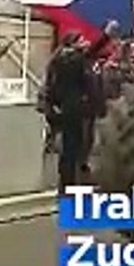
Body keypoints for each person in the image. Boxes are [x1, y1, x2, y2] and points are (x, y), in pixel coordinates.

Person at [43, 22, 116, 192]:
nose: (85, 43)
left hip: (74, 109)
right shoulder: (69, 59)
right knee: (71, 149)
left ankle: (72, 182)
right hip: (72, 110)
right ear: (72, 43)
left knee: (77, 147)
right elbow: (91, 52)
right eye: (81, 40)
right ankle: (68, 184)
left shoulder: (65, 60)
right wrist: (106, 35)